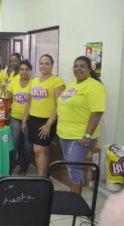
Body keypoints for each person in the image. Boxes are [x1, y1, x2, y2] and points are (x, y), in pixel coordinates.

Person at [57, 56, 106, 194]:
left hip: (81, 135)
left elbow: (97, 112)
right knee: (70, 166)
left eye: (82, 66)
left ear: (89, 69)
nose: (78, 68)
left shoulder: (95, 86)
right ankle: (73, 196)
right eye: (76, 65)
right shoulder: (73, 85)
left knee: (73, 166)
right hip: (64, 133)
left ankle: (76, 201)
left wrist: (87, 135)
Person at [21, 54, 65, 176]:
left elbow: (59, 104)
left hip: (47, 121)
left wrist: (49, 123)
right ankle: (45, 177)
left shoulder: (57, 81)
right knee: (42, 150)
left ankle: (41, 180)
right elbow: (29, 102)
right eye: (41, 63)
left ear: (52, 65)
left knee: (38, 150)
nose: (44, 66)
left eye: (47, 63)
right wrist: (24, 120)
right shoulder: (34, 81)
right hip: (34, 119)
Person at [7, 60, 33, 175]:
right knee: (13, 144)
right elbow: (8, 101)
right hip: (15, 117)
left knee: (27, 146)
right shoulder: (13, 82)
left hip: (29, 119)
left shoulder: (34, 83)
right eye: (22, 69)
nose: (24, 72)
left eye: (27, 69)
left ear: (30, 71)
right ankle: (11, 166)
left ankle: (24, 168)